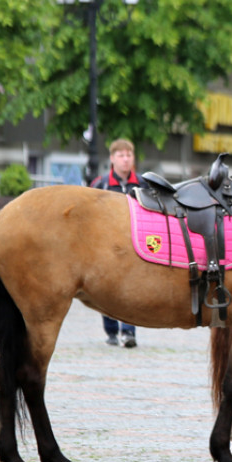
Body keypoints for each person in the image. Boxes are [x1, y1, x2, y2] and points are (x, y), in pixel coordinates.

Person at [90, 138, 142, 348]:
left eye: (129, 155)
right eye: (121, 155)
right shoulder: (100, 184)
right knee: (107, 288)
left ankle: (128, 332)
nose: (125, 159)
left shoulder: (142, 184)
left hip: (134, 244)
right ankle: (111, 331)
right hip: (107, 245)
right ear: (112, 159)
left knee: (132, 288)